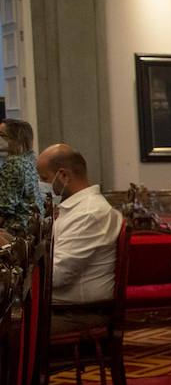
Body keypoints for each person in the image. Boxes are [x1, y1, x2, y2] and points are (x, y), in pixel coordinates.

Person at [37, 144, 123, 309]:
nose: (41, 185)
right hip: (54, 305)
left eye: (44, 178)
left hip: (72, 311)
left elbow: (56, 275)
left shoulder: (88, 213)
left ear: (63, 176)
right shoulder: (75, 209)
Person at [0, 118, 40, 233]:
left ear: (15, 139)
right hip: (31, 225)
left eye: (2, 135)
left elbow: (5, 208)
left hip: (16, 229)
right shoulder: (30, 158)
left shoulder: (13, 164)